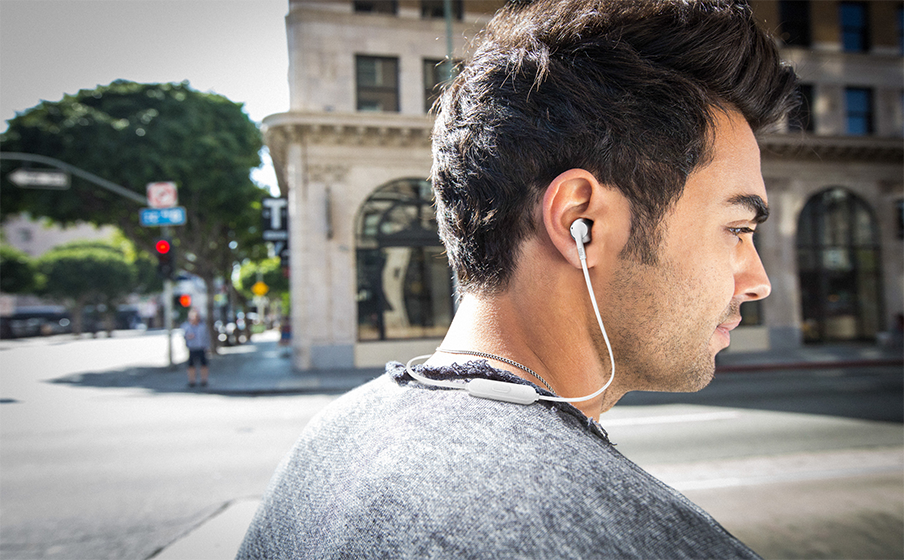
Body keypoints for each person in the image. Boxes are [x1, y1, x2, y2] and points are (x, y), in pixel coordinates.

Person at [237, 0, 798, 557]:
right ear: (581, 222)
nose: (757, 280)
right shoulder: (623, 541)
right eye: (737, 228)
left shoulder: (329, 443)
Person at [181, 308, 210, 388]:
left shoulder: (202, 326)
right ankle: (191, 381)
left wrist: (207, 346)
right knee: (191, 365)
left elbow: (206, 336)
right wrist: (187, 337)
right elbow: (183, 335)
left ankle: (204, 380)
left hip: (201, 347)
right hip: (192, 348)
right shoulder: (187, 326)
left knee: (203, 364)